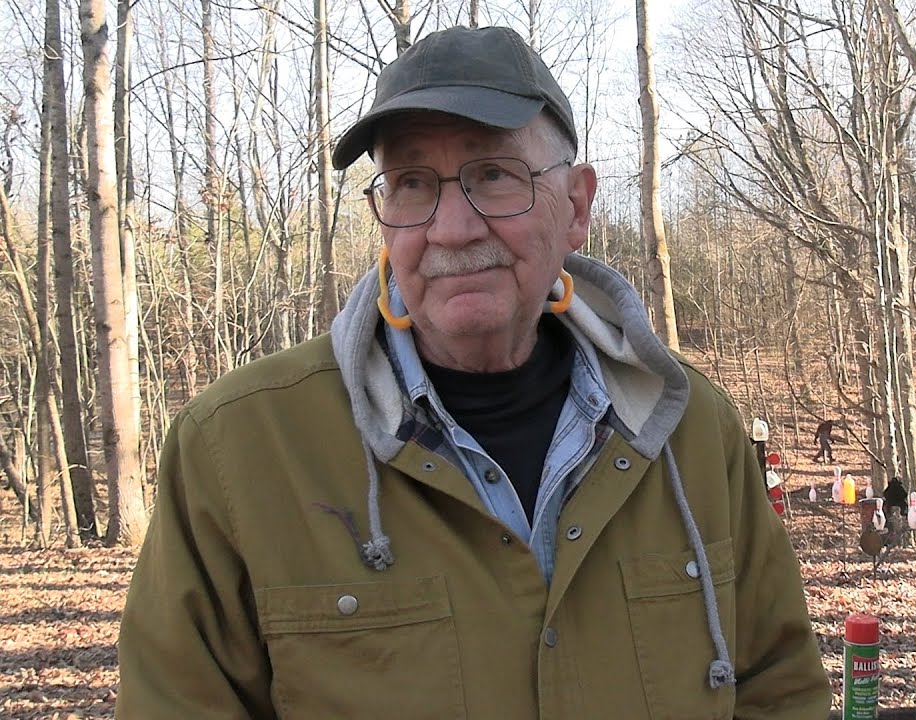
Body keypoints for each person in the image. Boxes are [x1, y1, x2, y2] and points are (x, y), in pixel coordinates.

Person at [116, 25, 830, 719]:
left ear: (577, 205)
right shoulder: (239, 449)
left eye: (493, 174)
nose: (451, 229)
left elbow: (780, 690)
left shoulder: (688, 431)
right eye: (411, 183)